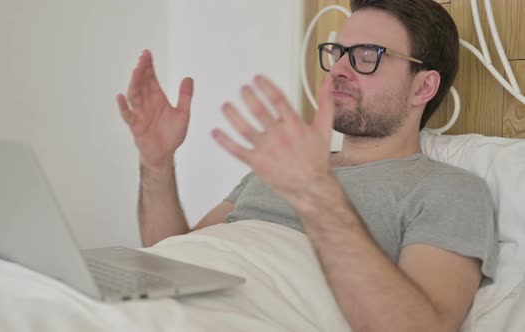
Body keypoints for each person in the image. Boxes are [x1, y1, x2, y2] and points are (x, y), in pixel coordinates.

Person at [116, 0, 498, 330]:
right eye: (338, 53)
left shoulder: (449, 190)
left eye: (367, 56)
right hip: (142, 306)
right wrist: (157, 162)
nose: (338, 71)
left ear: (423, 88)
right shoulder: (288, 166)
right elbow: (171, 264)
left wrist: (317, 194)